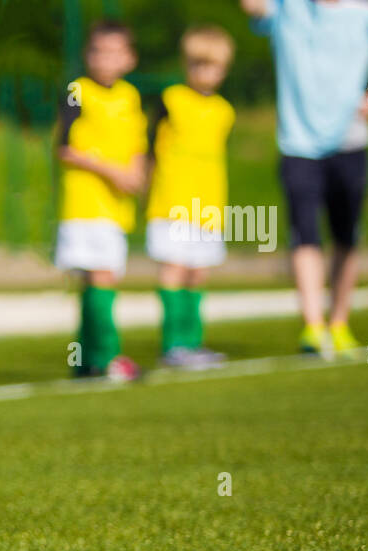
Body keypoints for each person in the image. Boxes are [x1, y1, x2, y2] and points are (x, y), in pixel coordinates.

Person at [242, 0, 368, 354]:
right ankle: (313, 326)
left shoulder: (366, 11)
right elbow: (251, 6)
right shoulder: (286, 7)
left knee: (346, 237)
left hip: (350, 141)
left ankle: (339, 323)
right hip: (297, 143)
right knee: (304, 234)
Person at [55, 21, 147, 381]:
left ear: (129, 58)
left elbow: (137, 142)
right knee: (100, 277)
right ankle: (109, 357)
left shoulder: (130, 96)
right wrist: (113, 173)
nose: (105, 59)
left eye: (114, 52)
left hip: (116, 206)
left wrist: (137, 172)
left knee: (97, 280)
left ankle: (85, 361)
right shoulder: (77, 91)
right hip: (85, 203)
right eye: (97, 51)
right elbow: (67, 147)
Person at [146, 25, 236, 368]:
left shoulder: (224, 111)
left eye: (212, 66)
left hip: (208, 206)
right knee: (174, 268)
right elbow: (150, 148)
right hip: (172, 203)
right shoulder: (170, 100)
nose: (204, 72)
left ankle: (194, 343)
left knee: (199, 272)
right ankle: (173, 345)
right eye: (197, 64)